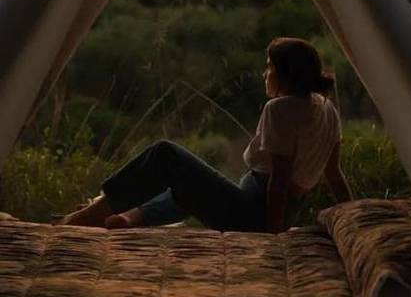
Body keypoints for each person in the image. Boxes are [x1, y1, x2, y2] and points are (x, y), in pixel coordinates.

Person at [61, 37, 352, 232]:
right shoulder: (328, 111)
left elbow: (280, 180)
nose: (265, 74)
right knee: (192, 182)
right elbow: (334, 175)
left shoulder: (281, 109)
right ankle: (128, 217)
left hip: (255, 215)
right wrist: (353, 216)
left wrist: (272, 237)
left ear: (286, 75)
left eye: (269, 67)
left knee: (165, 155)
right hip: (265, 210)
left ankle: (91, 215)